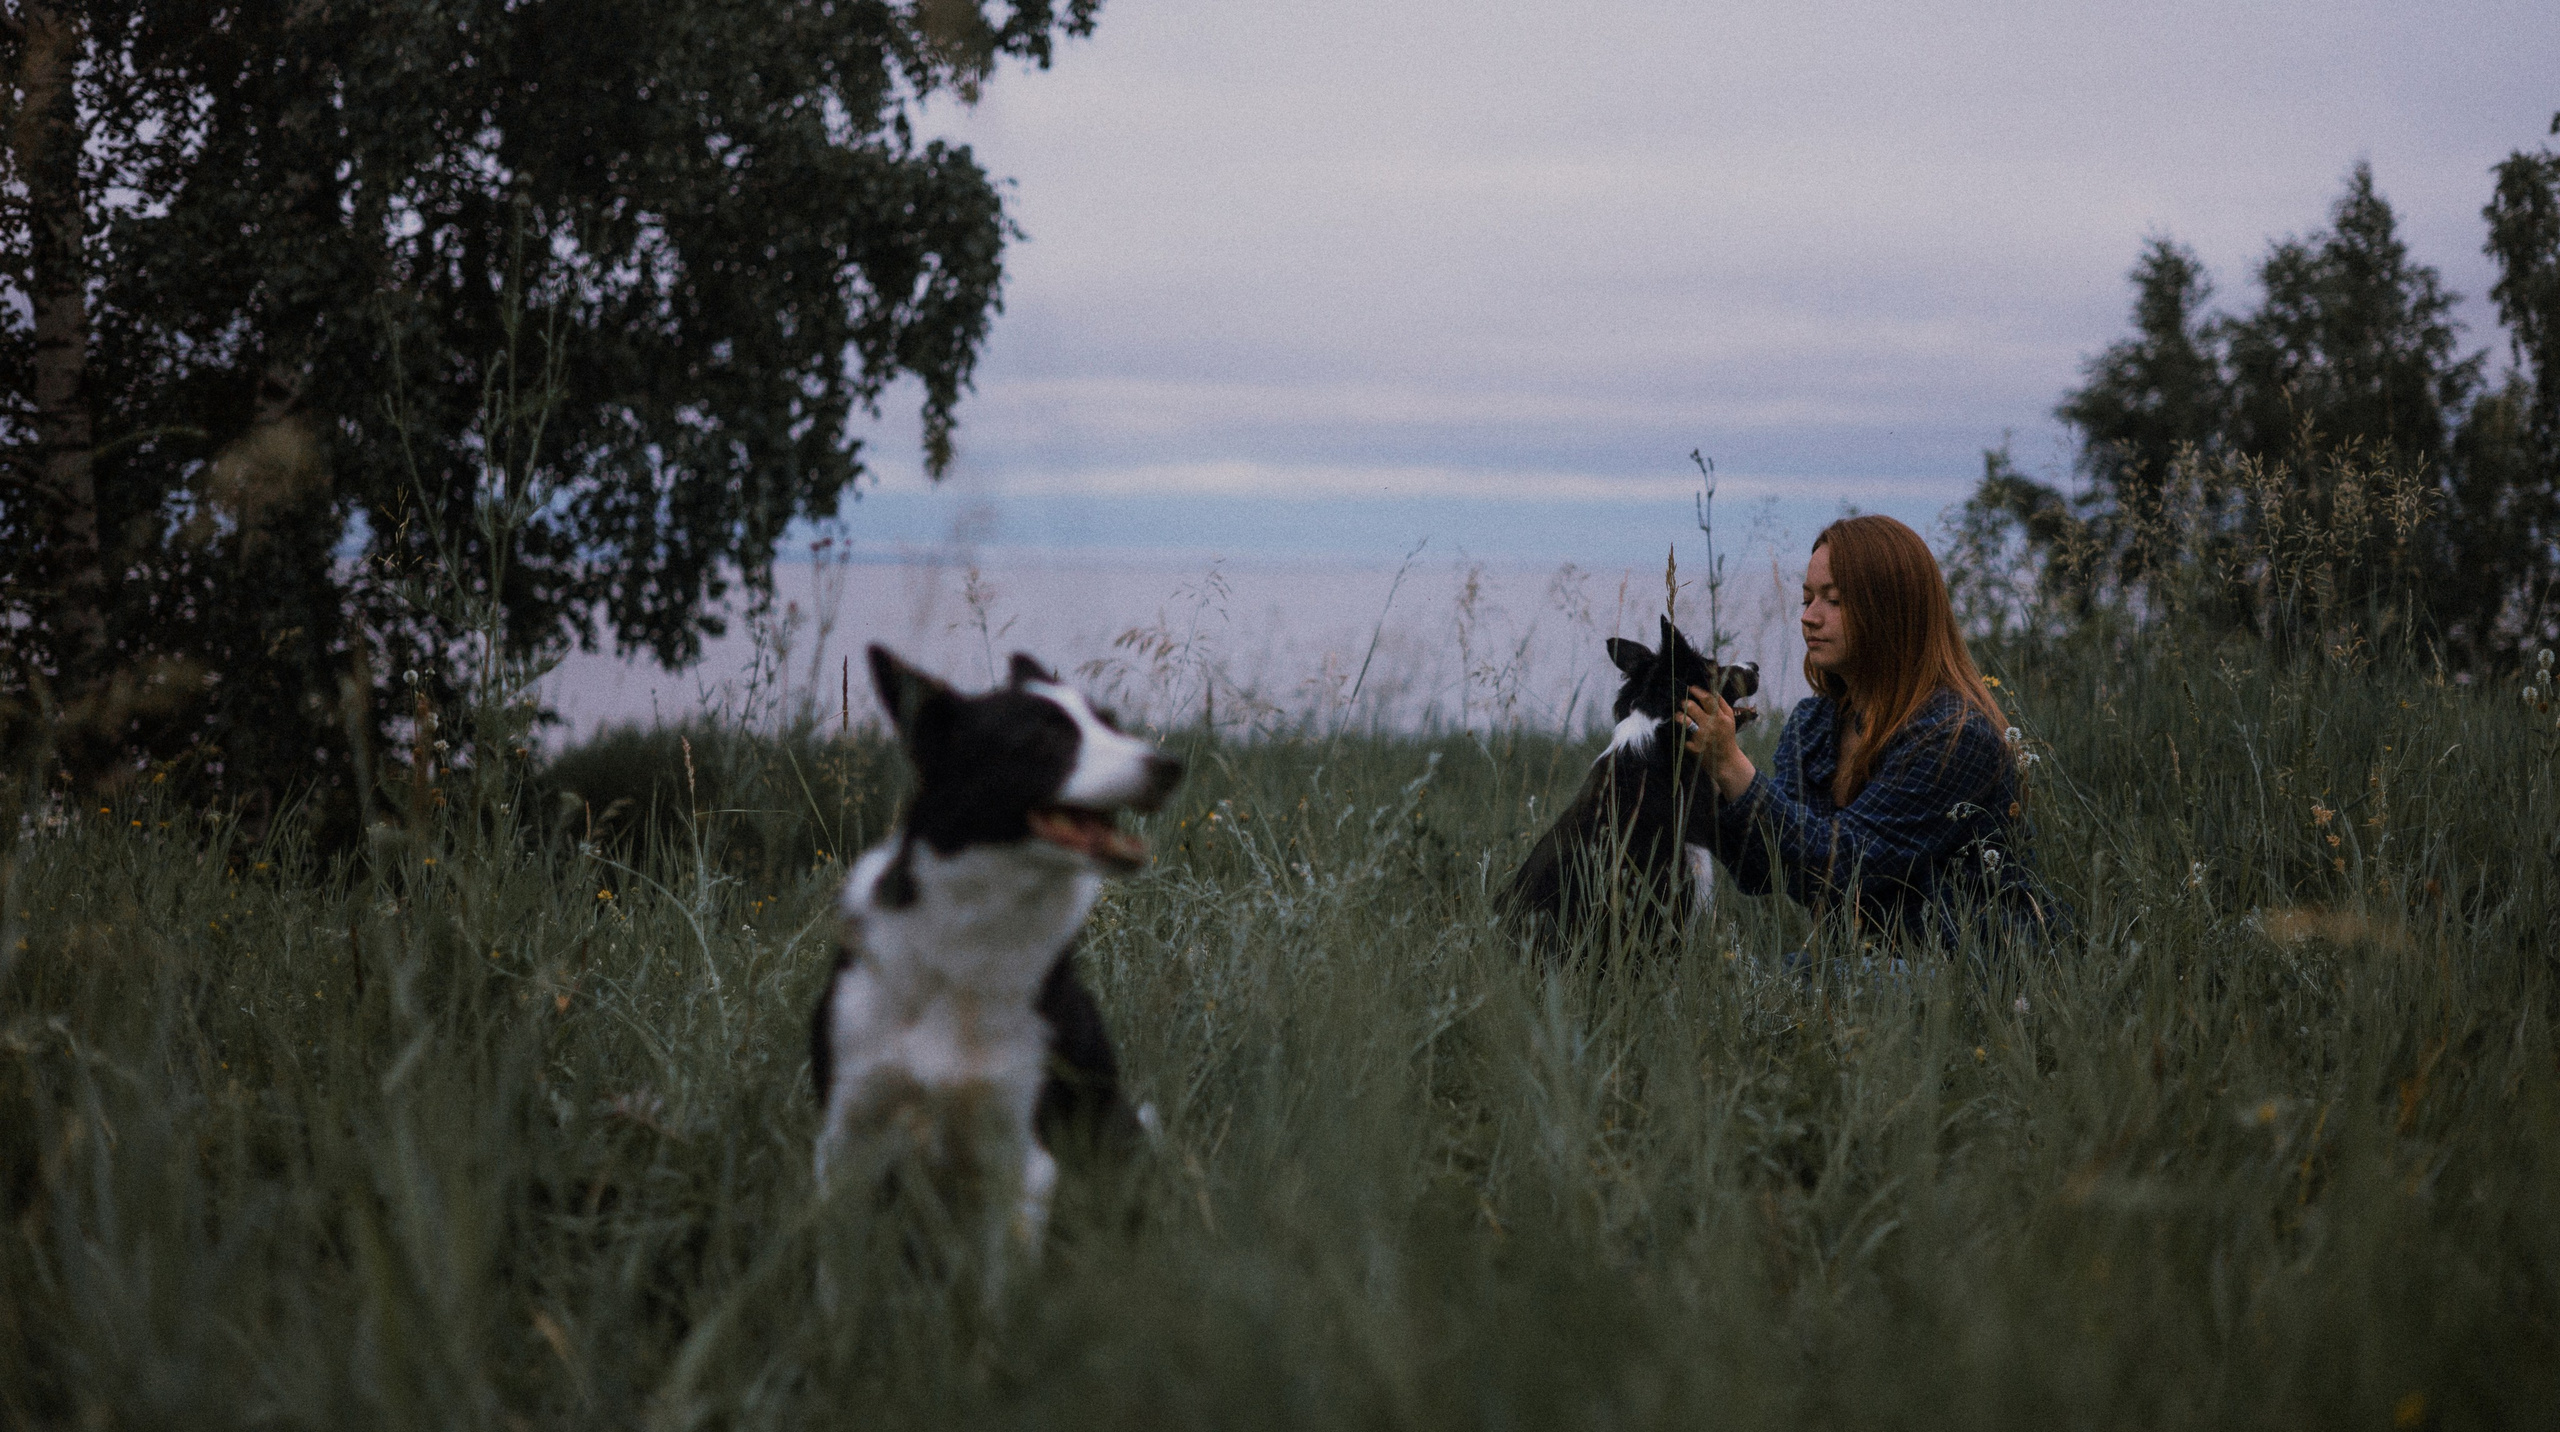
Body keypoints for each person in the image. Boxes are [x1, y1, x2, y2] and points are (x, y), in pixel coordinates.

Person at [1678, 514, 2065, 958]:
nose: (1809, 617)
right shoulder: (1814, 724)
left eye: (1834, 601)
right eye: (1807, 599)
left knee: (1764, 996)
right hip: (1862, 967)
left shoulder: (1955, 734)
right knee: (1723, 998)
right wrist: (1700, 769)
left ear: (1890, 611)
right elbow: (1761, 873)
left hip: (1971, 973)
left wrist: (1732, 765)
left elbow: (1846, 865)